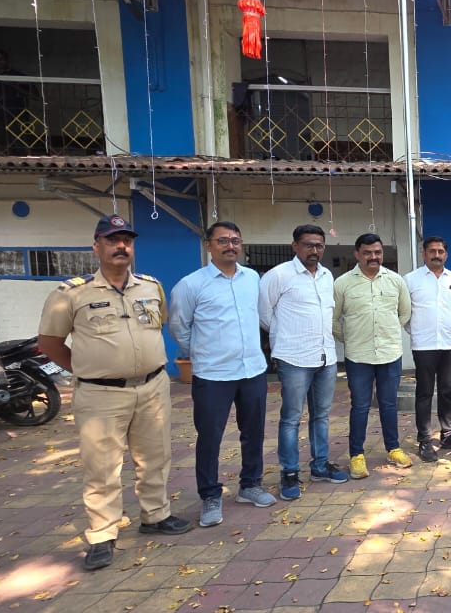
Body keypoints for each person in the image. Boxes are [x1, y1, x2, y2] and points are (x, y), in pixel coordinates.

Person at [37, 214, 191, 571]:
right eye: (112, 240)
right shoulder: (72, 293)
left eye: (126, 240)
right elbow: (49, 343)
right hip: (101, 395)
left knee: (155, 457)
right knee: (102, 466)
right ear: (96, 247)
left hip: (152, 387)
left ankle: (156, 515)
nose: (121, 246)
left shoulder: (150, 287)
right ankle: (102, 534)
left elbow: (158, 326)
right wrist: (88, 370)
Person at [169, 221, 276, 529]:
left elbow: (260, 316)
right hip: (213, 375)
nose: (230, 246)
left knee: (253, 431)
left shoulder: (252, 278)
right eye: (223, 241)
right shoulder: (191, 285)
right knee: (210, 437)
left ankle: (250, 485)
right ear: (209, 245)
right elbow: (179, 326)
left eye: (235, 241)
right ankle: (210, 495)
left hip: (252, 370)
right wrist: (202, 353)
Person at [259, 224, 348, 501]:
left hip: (325, 357)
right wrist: (285, 335)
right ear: (295, 246)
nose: (314, 250)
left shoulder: (326, 275)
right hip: (294, 358)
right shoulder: (278, 275)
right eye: (308, 245)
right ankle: (289, 472)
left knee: (321, 415)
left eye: (319, 245)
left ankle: (320, 465)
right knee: (291, 418)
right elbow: (264, 314)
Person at [334, 233, 412, 475]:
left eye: (377, 252)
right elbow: (333, 319)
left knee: (389, 404)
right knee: (360, 406)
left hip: (390, 353)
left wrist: (387, 333)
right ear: (357, 254)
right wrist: (352, 338)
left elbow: (404, 313)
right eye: (367, 253)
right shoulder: (343, 283)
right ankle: (356, 455)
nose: (373, 257)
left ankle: (393, 448)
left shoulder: (396, 281)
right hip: (358, 356)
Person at [404, 236, 451, 461]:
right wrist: (418, 331)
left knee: (447, 390)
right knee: (424, 392)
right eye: (432, 251)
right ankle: (424, 439)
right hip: (424, 345)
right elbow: (405, 313)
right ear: (424, 254)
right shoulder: (410, 280)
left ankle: (448, 433)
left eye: (441, 251)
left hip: (449, 344)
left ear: (446, 255)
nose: (437, 255)